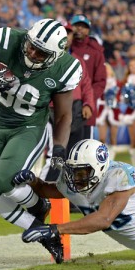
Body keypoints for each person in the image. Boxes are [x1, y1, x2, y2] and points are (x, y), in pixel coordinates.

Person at [0, 18, 82, 257]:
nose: (32, 52)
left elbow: (64, 116)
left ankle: (38, 205)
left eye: (41, 52)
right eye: (31, 45)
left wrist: (58, 152)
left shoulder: (66, 67)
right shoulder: (8, 40)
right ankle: (41, 230)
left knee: (4, 180)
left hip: (29, 127)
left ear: (54, 56)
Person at [40, 23, 94, 182]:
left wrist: (88, 104)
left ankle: (71, 199)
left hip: (76, 108)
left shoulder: (76, 60)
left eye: (68, 34)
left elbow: (86, 84)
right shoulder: (46, 59)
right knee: (55, 154)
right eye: (62, 34)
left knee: (75, 155)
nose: (66, 38)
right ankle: (47, 195)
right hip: (52, 110)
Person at [69, 14, 107, 140]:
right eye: (76, 26)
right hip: (63, 105)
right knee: (59, 149)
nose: (79, 29)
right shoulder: (64, 49)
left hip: (85, 108)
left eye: (83, 27)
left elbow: (100, 81)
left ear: (88, 30)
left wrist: (88, 102)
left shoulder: (95, 52)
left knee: (83, 149)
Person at [96, 63, 122, 159]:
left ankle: (111, 159)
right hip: (102, 111)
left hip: (114, 111)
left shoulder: (118, 83)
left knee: (113, 138)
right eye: (103, 70)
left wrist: (116, 99)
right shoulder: (99, 83)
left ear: (111, 71)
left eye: (107, 69)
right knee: (102, 138)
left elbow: (121, 96)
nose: (106, 71)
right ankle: (102, 159)